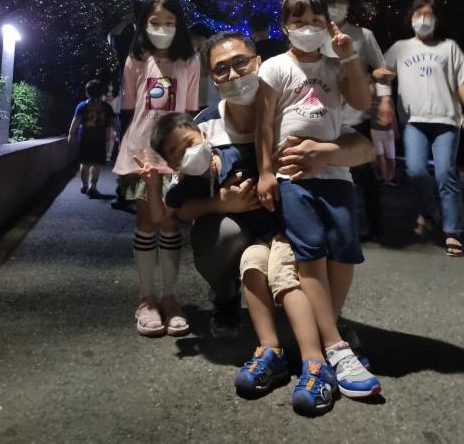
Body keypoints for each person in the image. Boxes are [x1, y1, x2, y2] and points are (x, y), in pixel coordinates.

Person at [174, 31, 376, 347]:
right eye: (221, 69)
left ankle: (329, 319)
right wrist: (220, 204)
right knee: (218, 234)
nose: (233, 74)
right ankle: (226, 297)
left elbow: (366, 149)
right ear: (213, 79)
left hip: (292, 224)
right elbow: (180, 208)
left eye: (241, 63)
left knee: (329, 224)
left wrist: (326, 153)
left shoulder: (292, 108)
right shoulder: (203, 127)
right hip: (241, 228)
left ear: (259, 63)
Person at [138, 111, 336, 416]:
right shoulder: (189, 184)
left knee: (283, 281)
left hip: (282, 235)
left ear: (204, 136)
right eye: (177, 155)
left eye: (189, 143)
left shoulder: (237, 153)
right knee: (252, 269)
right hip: (256, 243)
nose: (187, 154)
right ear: (174, 166)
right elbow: (161, 216)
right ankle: (271, 351)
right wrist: (153, 186)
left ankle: (316, 362)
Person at [256, 0, 381, 399]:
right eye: (298, 21)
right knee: (310, 253)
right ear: (285, 26)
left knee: (343, 250)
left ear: (328, 25)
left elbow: (361, 101)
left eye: (315, 21)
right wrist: (266, 172)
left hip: (337, 174)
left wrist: (349, 58)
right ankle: (335, 345)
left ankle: (329, 329)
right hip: (292, 174)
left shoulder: (334, 65)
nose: (307, 28)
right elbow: (264, 123)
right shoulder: (275, 67)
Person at [112, 0, 199, 337]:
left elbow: (189, 110)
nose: (162, 28)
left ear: (179, 24)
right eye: (155, 22)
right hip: (142, 152)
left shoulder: (189, 59)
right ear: (143, 25)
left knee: (171, 222)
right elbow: (131, 109)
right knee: (147, 221)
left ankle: (170, 297)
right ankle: (147, 298)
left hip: (174, 154)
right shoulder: (136, 59)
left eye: (169, 22)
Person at [383, 0, 464, 257]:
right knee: (414, 171)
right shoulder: (400, 47)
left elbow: (462, 79)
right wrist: (382, 93)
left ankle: (453, 230)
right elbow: (383, 73)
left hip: (446, 119)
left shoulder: (449, 47)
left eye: (428, 15)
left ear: (436, 19)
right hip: (414, 120)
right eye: (418, 15)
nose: (423, 20)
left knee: (445, 172)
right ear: (410, 19)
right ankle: (427, 211)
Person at [323, 0, 394, 240]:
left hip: (355, 115)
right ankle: (335, 228)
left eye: (340, 1)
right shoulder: (316, 35)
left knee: (365, 174)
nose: (335, 7)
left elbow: (381, 68)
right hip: (323, 115)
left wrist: (385, 100)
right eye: (331, 2)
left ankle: (376, 227)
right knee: (328, 174)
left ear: (348, 5)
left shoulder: (364, 35)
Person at [108, 1, 143, 212]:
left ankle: (126, 194)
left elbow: (112, 35)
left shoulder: (128, 43)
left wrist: (128, 19)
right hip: (147, 103)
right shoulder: (156, 42)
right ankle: (137, 194)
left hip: (132, 103)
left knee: (129, 148)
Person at [67, 79, 117, 198]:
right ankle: (92, 186)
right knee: (96, 164)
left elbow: (76, 121)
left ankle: (84, 185)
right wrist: (118, 134)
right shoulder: (106, 107)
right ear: (102, 93)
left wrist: (70, 134)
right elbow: (114, 122)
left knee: (84, 163)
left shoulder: (82, 106)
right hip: (99, 140)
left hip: (84, 139)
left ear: (87, 92)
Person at [369, 80, 398, 184]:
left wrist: (396, 130)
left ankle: (391, 176)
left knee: (390, 155)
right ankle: (384, 177)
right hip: (374, 130)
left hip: (387, 130)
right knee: (379, 154)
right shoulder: (369, 99)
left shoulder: (386, 99)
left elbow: (393, 114)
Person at [189, 22, 220, 111]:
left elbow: (205, 72)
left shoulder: (214, 52)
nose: (193, 41)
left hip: (212, 99)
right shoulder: (193, 54)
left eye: (196, 38)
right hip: (198, 100)